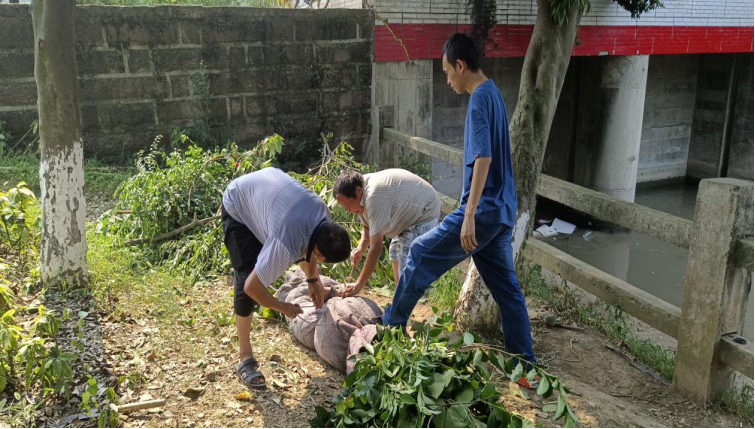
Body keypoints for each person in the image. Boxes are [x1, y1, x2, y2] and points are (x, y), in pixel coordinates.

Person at [381, 33, 537, 386]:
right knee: (507, 290)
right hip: (502, 212)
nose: (447, 78)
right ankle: (526, 364)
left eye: (447, 71)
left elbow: (484, 157)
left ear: (461, 66)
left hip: (482, 213)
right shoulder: (493, 93)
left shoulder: (479, 99)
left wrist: (469, 214)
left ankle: (391, 325)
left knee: (418, 252)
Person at [222, 167, 351, 390]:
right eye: (322, 261)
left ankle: (245, 356)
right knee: (245, 278)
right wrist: (283, 307)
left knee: (274, 257)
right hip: (239, 203)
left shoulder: (324, 216)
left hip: (266, 195)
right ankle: (245, 358)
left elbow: (309, 245)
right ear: (322, 256)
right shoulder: (286, 243)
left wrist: (313, 280)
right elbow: (253, 287)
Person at [333, 168, 441, 296]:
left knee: (406, 261)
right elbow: (368, 227)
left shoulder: (374, 196)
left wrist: (358, 285)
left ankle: (408, 300)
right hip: (407, 216)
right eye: (346, 208)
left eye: (349, 206)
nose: (349, 211)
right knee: (395, 252)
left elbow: (376, 248)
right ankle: (400, 296)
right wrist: (361, 248)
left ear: (358, 190)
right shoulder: (359, 194)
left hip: (425, 211)